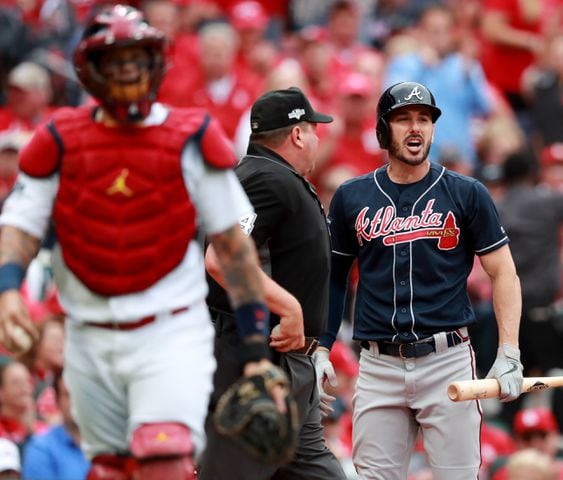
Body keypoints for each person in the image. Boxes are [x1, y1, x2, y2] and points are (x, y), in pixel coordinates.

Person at [0, 5, 279, 479]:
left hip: (169, 332)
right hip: (86, 336)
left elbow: (234, 249)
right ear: (92, 69)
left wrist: (256, 351)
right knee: (109, 468)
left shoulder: (192, 137)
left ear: (156, 64)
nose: (127, 71)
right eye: (115, 61)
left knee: (163, 460)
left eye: (136, 59)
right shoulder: (59, 140)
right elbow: (20, 227)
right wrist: (8, 289)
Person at [313, 81, 524, 480]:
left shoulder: (467, 192)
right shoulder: (351, 196)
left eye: (424, 119)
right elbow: (334, 278)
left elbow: (504, 273)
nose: (415, 128)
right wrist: (322, 347)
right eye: (403, 119)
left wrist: (508, 350)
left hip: (448, 360)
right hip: (378, 364)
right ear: (382, 130)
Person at [199, 86, 347, 480]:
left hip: (286, 363)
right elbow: (220, 258)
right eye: (314, 129)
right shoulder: (264, 177)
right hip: (255, 356)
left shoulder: (263, 175)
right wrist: (290, 307)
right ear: (298, 133)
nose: (317, 138)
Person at [22, 371, 90, 480]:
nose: (75, 400)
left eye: (80, 393)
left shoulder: (112, 442)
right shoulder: (42, 448)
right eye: (68, 395)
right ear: (57, 401)